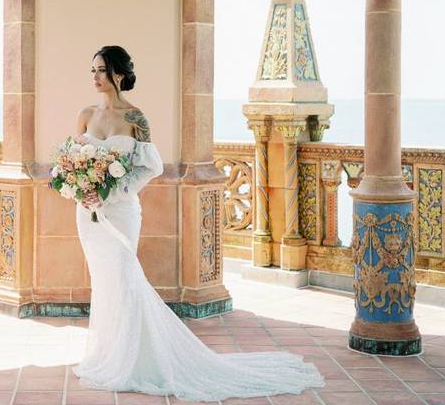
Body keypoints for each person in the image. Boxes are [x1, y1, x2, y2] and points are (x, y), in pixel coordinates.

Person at [71, 45, 325, 401]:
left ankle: (134, 361)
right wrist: (80, 189)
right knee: (103, 282)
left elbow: (151, 167)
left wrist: (111, 194)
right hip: (88, 214)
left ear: (116, 73)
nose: (94, 77)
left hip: (121, 211)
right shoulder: (84, 114)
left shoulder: (136, 118)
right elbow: (74, 159)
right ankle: (105, 355)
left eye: (100, 70)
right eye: (92, 70)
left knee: (125, 278)